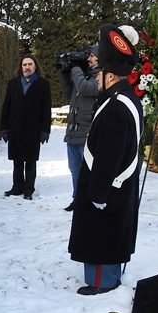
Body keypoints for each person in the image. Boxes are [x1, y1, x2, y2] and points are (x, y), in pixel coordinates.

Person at [68, 25, 144, 295]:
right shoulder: (124, 98)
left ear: (110, 75)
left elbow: (108, 158)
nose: (97, 77)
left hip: (108, 189)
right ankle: (105, 276)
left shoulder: (115, 107)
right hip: (116, 187)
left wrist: (98, 194)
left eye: (100, 72)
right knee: (108, 234)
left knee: (102, 234)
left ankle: (103, 281)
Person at [0, 54, 52, 200]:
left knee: (30, 161)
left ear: (35, 66)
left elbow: (46, 109)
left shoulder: (43, 84)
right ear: (21, 67)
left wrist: (45, 130)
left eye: (30, 64)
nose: (27, 67)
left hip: (33, 129)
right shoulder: (13, 83)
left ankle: (28, 189)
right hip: (15, 128)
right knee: (17, 160)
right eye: (24, 65)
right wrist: (4, 127)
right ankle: (17, 187)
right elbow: (6, 106)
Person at [60, 44, 101, 211]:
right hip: (73, 132)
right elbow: (68, 91)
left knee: (87, 171)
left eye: (92, 56)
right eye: (89, 56)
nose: (89, 59)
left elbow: (85, 89)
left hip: (87, 133)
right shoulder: (84, 75)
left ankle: (87, 202)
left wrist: (75, 67)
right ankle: (77, 199)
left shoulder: (100, 78)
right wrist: (64, 70)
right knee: (75, 170)